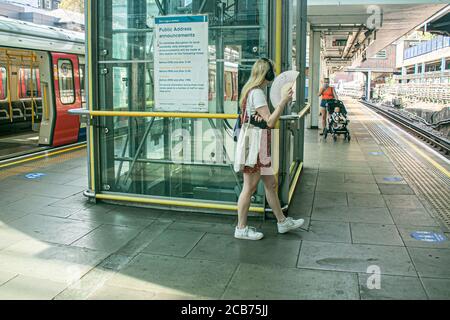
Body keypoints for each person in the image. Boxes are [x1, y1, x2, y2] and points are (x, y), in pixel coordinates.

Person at [234, 58, 305, 241]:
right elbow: (270, 122)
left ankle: (282, 222)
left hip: (261, 144)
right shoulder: (257, 93)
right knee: (249, 187)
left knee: (271, 184)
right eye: (273, 70)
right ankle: (241, 228)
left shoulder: (252, 91)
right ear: (268, 73)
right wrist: (283, 102)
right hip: (256, 145)